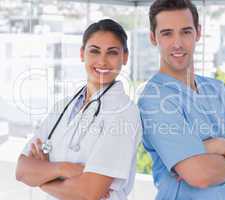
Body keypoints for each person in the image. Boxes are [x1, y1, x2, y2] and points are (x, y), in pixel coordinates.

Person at [138, 0, 225, 199]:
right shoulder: (154, 99)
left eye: (186, 32)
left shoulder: (218, 90)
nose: (178, 43)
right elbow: (200, 175)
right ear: (153, 38)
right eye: (167, 33)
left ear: (198, 33)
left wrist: (221, 145)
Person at [16, 19, 141, 200]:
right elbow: (22, 170)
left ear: (125, 57)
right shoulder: (62, 107)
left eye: (112, 53)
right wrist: (64, 169)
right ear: (82, 54)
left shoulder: (124, 113)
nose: (102, 61)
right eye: (94, 51)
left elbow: (87, 193)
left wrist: (41, 178)